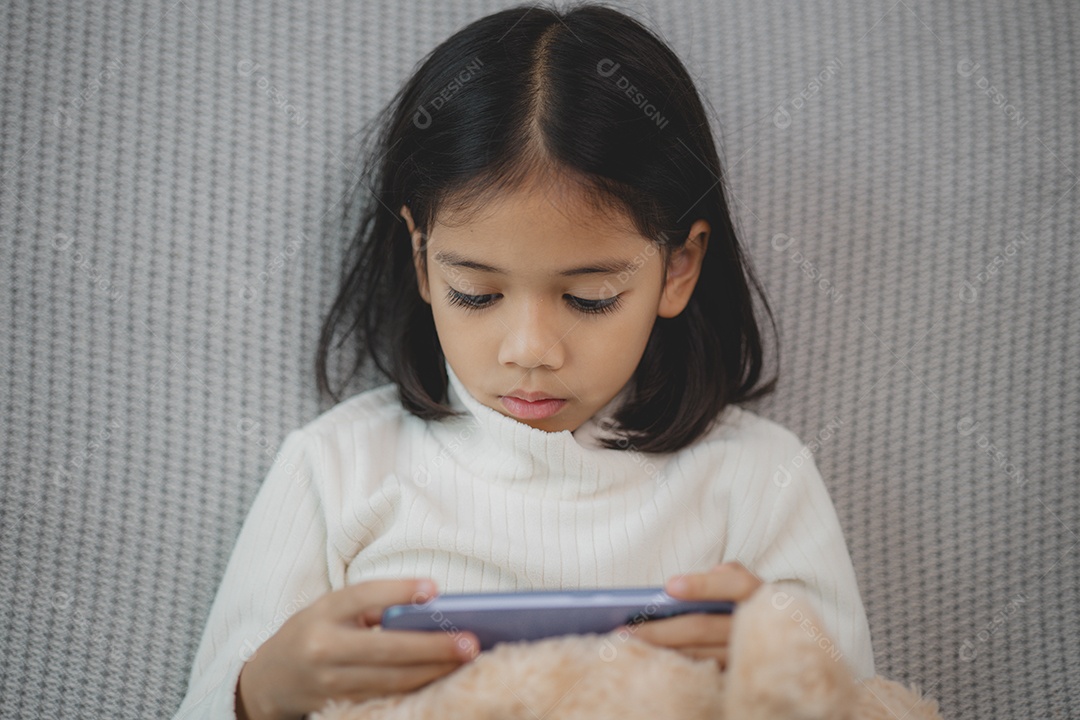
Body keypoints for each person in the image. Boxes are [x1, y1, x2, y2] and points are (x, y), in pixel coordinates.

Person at [173, 3, 875, 718]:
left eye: (592, 297)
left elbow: (865, 703)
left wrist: (778, 660)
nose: (530, 351)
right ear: (420, 257)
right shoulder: (336, 468)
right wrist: (262, 691)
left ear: (678, 269)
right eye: (476, 294)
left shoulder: (758, 479)